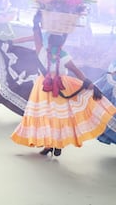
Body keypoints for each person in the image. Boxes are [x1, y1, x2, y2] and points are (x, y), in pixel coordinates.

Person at [10, 11, 116, 156]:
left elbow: (37, 37)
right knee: (60, 117)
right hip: (62, 86)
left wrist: (36, 23)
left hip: (43, 89)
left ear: (48, 42)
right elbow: (78, 73)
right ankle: (56, 143)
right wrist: (92, 87)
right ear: (61, 43)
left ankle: (50, 145)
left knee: (46, 117)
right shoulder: (63, 55)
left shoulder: (41, 51)